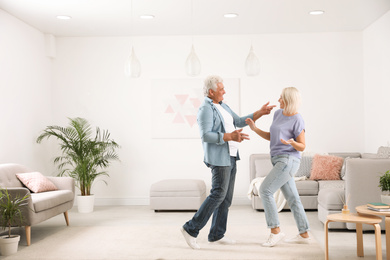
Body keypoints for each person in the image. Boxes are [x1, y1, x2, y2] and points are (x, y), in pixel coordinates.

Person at [180, 75, 275, 250]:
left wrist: (260, 113)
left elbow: (239, 121)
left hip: (231, 155)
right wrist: (230, 136)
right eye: (221, 89)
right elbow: (205, 135)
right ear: (211, 91)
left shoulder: (222, 106)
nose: (225, 91)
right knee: (218, 194)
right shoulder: (205, 109)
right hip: (219, 158)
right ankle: (190, 228)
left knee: (226, 198)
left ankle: (216, 234)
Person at [245, 87, 310, 247]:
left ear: (288, 101)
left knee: (265, 190)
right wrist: (255, 129)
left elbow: (302, 146)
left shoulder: (297, 119)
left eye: (281, 98)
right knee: (293, 199)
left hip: (289, 160)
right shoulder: (278, 114)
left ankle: (275, 231)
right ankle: (304, 233)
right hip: (277, 159)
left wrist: (293, 143)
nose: (278, 100)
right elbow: (272, 136)